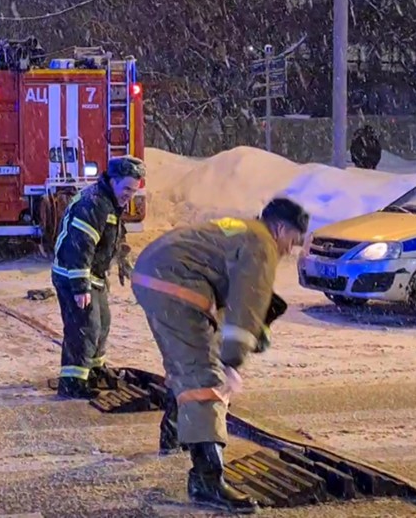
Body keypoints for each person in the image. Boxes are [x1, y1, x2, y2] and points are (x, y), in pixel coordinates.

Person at [131, 197, 309, 514]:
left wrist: (253, 333)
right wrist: (232, 360)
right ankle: (207, 480)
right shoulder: (262, 243)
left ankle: (174, 432)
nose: (289, 250)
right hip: (174, 283)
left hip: (154, 273)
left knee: (185, 363)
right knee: (204, 378)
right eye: (293, 241)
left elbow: (234, 297)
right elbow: (247, 302)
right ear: (280, 228)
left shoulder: (243, 229)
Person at [51, 155, 145, 400]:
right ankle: (72, 381)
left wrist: (123, 260)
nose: (130, 195)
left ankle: (92, 370)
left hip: (94, 274)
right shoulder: (94, 205)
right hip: (73, 274)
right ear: (113, 181)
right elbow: (79, 246)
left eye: (134, 190)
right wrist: (80, 287)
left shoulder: (111, 201)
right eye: (127, 188)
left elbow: (114, 236)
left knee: (102, 323)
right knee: (84, 327)